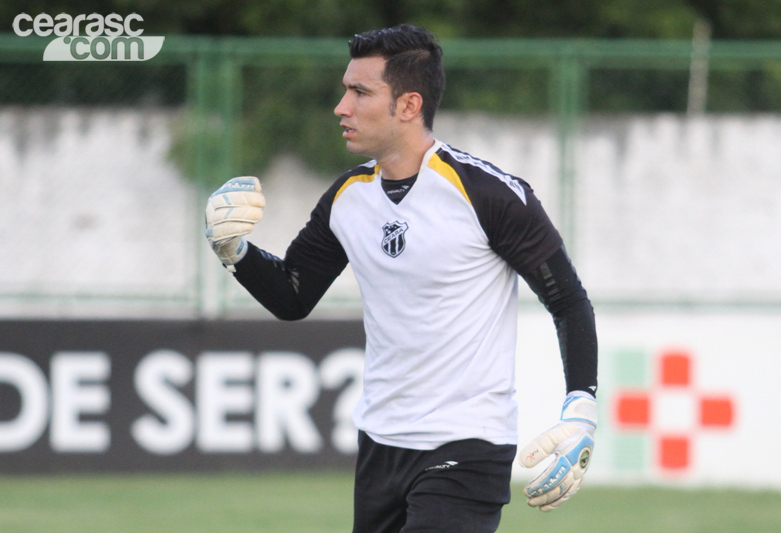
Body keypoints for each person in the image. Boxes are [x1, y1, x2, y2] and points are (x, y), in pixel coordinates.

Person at [205, 24, 598, 533]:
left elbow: (568, 301)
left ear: (409, 105)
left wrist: (580, 410)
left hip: (467, 447)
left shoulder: (490, 195)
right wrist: (233, 249)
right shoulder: (347, 197)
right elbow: (292, 295)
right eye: (346, 89)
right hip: (380, 445)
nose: (340, 107)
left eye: (360, 92)